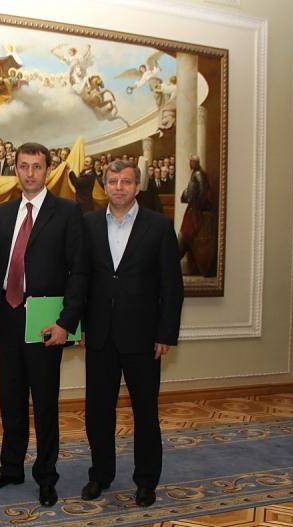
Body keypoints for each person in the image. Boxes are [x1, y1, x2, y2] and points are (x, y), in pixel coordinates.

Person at [0, 143, 86, 507]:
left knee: (44, 404)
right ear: (15, 169)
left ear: (48, 170)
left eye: (37, 167)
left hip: (45, 323)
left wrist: (66, 322)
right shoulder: (4, 212)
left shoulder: (67, 212)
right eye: (24, 166)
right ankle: (11, 468)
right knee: (10, 401)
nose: (29, 173)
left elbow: (79, 272)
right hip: (7, 318)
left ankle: (46, 475)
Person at [80, 159, 183, 507]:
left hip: (144, 337)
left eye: (126, 182)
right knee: (98, 412)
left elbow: (172, 286)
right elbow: (81, 279)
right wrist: (79, 325)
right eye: (113, 182)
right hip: (99, 336)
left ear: (137, 187)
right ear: (104, 186)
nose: (119, 187)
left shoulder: (159, 226)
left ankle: (146, 481)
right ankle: (100, 474)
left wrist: (165, 334)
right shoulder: (89, 224)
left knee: (145, 413)